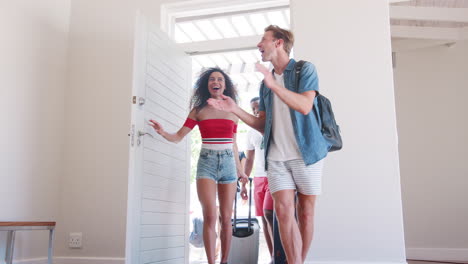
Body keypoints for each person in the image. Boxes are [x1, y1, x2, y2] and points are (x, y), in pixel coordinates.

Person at [208, 25, 330, 264]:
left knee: (305, 213)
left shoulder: (304, 70)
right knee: (283, 212)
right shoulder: (265, 85)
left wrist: (274, 84)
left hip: (307, 154)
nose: (258, 44)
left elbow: (305, 106)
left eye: (263, 39)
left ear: (279, 43)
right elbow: (262, 125)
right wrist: (235, 109)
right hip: (276, 157)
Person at [149, 67, 248, 264]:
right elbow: (178, 136)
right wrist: (162, 132)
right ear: (207, 85)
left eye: (219, 79)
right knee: (210, 216)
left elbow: (234, 143)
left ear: (225, 85)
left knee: (227, 218)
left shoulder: (233, 111)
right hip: (207, 164)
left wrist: (240, 170)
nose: (215, 82)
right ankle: (212, 262)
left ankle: (224, 261)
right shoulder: (198, 111)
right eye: (212, 79)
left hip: (228, 162)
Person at [240, 97, 274, 260]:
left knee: (270, 215)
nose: (255, 111)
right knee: (263, 220)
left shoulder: (274, 125)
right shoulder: (250, 132)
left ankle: (280, 255)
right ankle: (273, 256)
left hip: (274, 176)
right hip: (259, 178)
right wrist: (244, 182)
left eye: (258, 107)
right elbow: (250, 159)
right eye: (252, 108)